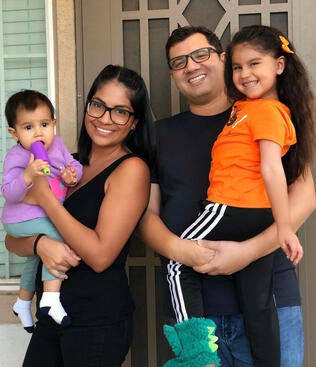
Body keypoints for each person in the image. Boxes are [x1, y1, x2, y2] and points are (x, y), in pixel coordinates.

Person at [138, 25, 316, 367]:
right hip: (200, 313)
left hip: (270, 301)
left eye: (200, 54)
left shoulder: (262, 112)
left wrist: (246, 252)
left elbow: (305, 198)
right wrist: (179, 250)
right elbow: (146, 216)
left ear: (222, 59)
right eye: (178, 62)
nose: (191, 66)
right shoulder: (159, 136)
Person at [5, 64, 155, 367]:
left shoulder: (131, 170)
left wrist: (46, 198)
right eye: (98, 105)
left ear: (134, 122)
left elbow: (100, 255)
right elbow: (11, 239)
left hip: (97, 319)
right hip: (51, 312)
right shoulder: (67, 165)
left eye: (120, 111)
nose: (104, 119)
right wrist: (39, 245)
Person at [1, 90, 83, 332]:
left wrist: (71, 175)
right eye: (28, 127)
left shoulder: (57, 145)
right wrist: (27, 175)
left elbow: (74, 165)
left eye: (44, 124)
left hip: (41, 214)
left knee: (35, 258)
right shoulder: (17, 156)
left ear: (54, 124)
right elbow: (9, 193)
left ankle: (23, 302)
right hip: (21, 218)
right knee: (58, 235)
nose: (38, 132)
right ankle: (50, 298)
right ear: (13, 133)